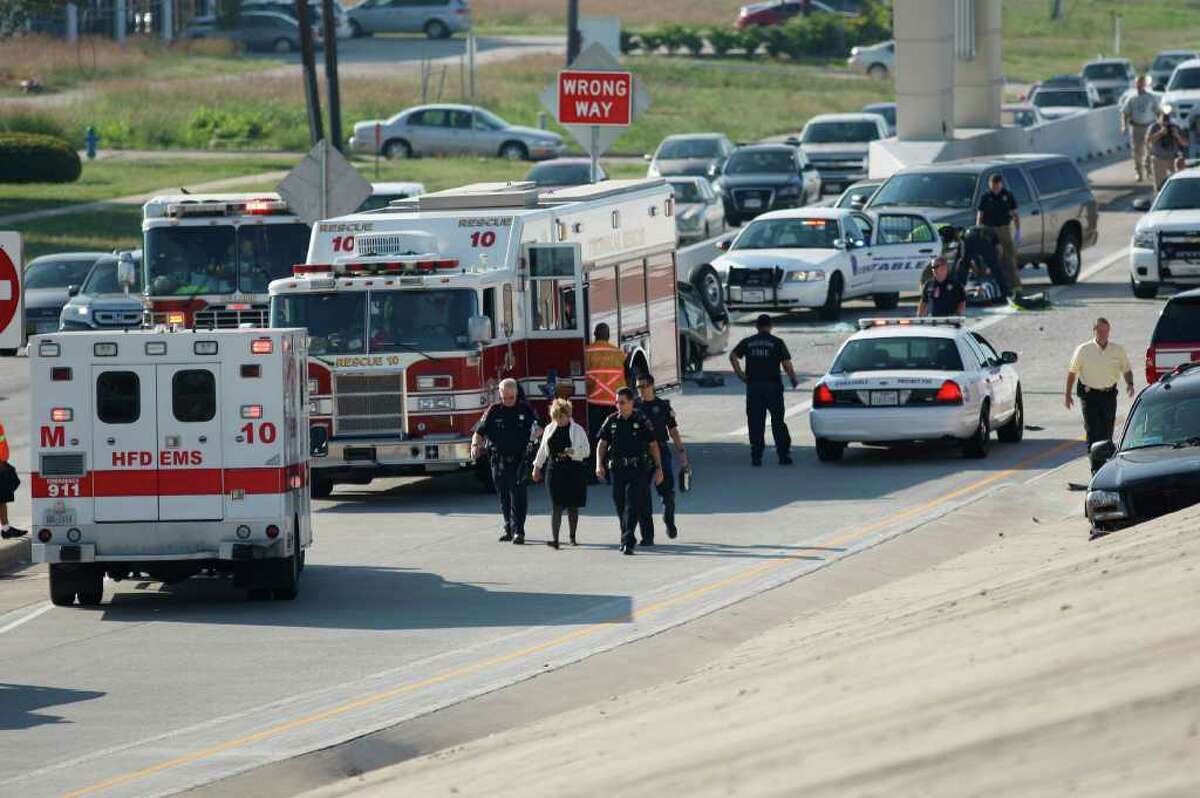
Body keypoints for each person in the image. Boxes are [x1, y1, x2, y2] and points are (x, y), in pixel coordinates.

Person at [595, 388, 664, 556]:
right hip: (618, 469)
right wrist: (599, 464)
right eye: (617, 402)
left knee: (632, 504)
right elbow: (602, 444)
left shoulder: (640, 420)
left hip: (637, 469)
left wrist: (658, 468)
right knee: (620, 504)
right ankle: (626, 535)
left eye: (622, 402)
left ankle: (628, 541)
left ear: (631, 402)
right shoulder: (611, 421)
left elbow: (653, 445)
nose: (619, 405)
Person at [472, 378, 540, 545]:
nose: (508, 401)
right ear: (500, 394)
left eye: (511, 397)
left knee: (519, 495)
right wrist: (475, 445)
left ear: (516, 393)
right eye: (504, 397)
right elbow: (479, 431)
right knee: (503, 496)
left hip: (519, 460)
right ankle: (509, 528)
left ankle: (519, 531)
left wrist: (537, 433)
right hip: (498, 460)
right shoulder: (494, 410)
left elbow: (541, 428)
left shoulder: (526, 409)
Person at [730, 314, 799, 467]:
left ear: (756, 326)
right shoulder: (777, 342)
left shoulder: (748, 342)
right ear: (771, 326)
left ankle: (756, 456)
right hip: (773, 388)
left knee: (755, 422)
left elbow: (733, 355)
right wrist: (793, 378)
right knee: (778, 421)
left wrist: (741, 375)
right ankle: (783, 455)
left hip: (754, 387)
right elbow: (786, 364)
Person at [1065, 318, 1135, 466]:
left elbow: (1126, 369)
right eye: (1100, 331)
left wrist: (1130, 384)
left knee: (1107, 431)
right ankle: (1095, 467)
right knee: (1092, 431)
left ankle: (1106, 466)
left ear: (1109, 331)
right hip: (1089, 395)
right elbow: (1072, 372)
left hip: (1109, 395)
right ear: (1094, 331)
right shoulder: (1083, 349)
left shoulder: (1117, 350)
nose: (1103, 334)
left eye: (1106, 331)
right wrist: (1067, 394)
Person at [634, 373, 688, 541]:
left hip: (662, 450)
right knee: (641, 494)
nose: (640, 390)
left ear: (652, 386)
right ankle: (646, 535)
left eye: (643, 386)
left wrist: (682, 453)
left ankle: (669, 518)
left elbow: (673, 431)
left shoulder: (663, 406)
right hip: (642, 453)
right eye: (638, 387)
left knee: (667, 493)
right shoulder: (634, 406)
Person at [531, 398, 590, 550]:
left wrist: (573, 452)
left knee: (572, 506)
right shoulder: (550, 429)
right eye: (555, 417)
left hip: (573, 469)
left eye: (561, 417)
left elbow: (587, 451)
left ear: (568, 415)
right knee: (556, 506)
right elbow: (543, 450)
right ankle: (555, 539)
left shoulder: (578, 430)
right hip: (554, 469)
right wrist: (536, 467)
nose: (558, 420)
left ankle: (572, 537)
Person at [584, 323, 627, 479]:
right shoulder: (618, 353)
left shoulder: (587, 352)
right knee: (613, 438)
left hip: (594, 402)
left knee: (596, 439)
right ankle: (611, 472)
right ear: (609, 335)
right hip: (613, 404)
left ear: (595, 334)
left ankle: (593, 473)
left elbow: (585, 378)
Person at [976, 173, 1022, 300]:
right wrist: (978, 229)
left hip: (1004, 229)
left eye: (997, 185)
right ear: (990, 185)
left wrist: (1018, 231)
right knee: (990, 258)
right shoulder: (985, 197)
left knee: (1009, 258)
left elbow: (1015, 214)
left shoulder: (1007, 195)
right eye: (993, 186)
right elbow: (980, 215)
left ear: (1001, 184)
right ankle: (992, 288)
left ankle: (1015, 287)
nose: (995, 188)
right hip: (988, 229)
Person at [1120, 76, 1161, 181]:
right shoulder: (1132, 98)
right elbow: (1125, 113)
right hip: (1136, 127)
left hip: (1149, 126)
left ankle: (1149, 170)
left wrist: (1159, 124)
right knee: (1137, 151)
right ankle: (1139, 172)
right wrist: (1124, 125)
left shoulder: (1151, 97)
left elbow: (1158, 111)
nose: (1139, 86)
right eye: (1138, 83)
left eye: (1141, 83)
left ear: (1144, 85)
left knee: (1149, 149)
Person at [1147, 108, 1188, 192]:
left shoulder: (1175, 127)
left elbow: (1185, 143)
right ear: (1158, 118)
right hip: (1159, 159)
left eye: (1167, 119)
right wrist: (1160, 133)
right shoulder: (1154, 127)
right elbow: (1148, 141)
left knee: (1178, 184)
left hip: (1173, 159)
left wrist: (1177, 135)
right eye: (1163, 119)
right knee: (1159, 186)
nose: (1166, 122)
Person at [0, 418, 25, 540]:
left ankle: (6, 529)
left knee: (3, 497)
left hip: (2, 463)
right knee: (2, 498)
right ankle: (6, 529)